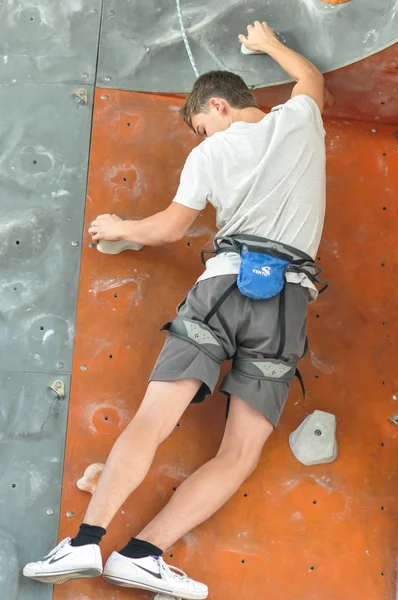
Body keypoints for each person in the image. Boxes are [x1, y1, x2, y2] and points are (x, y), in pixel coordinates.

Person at [23, 21, 327, 600]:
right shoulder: (300, 120)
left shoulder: (210, 154)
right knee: (238, 455)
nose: (200, 137)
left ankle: (86, 541)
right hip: (286, 304)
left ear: (217, 104)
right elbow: (310, 78)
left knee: (151, 420)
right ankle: (143, 555)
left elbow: (169, 228)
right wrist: (267, 45)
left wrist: (118, 226)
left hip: (220, 289)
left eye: (199, 125)